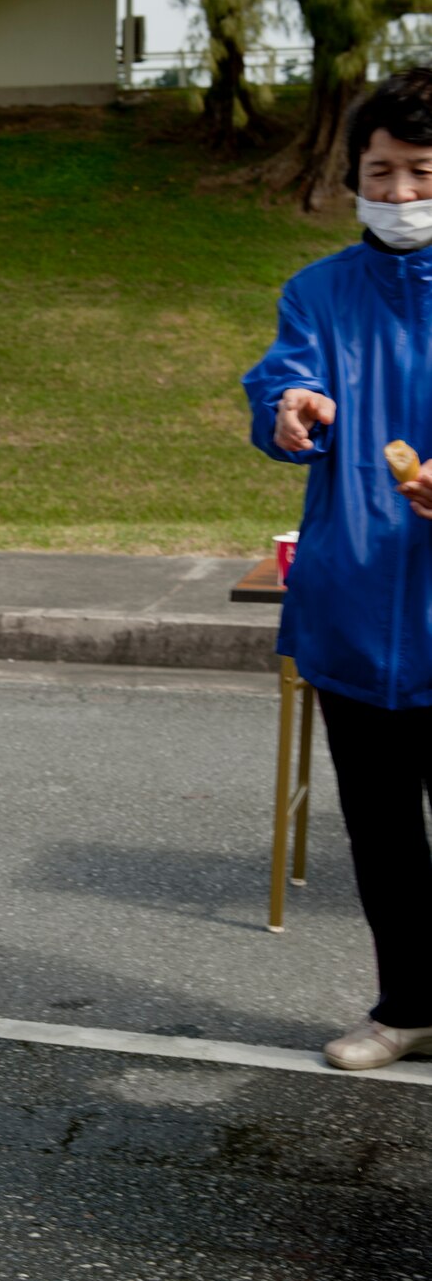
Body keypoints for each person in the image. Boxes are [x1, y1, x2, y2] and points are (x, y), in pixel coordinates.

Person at [243, 65, 432, 1071]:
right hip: (350, 615)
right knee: (382, 837)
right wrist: (288, 409)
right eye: (380, 172)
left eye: (418, 172)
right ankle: (405, 1005)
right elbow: (283, 379)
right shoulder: (314, 291)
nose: (398, 194)